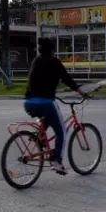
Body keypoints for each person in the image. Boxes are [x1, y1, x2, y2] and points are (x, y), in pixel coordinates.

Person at [23, 38, 88, 174]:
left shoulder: (36, 60)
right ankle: (57, 161)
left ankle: (39, 137)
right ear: (52, 50)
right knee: (62, 132)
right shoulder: (54, 62)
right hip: (45, 102)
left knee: (48, 119)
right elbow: (66, 78)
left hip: (28, 103)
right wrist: (81, 91)